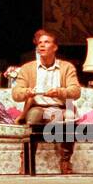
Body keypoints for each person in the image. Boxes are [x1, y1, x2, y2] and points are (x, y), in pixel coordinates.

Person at [11, 28, 81, 174]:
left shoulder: (66, 67)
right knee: (33, 117)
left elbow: (76, 91)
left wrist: (59, 91)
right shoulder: (28, 68)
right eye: (40, 42)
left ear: (55, 47)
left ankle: (65, 161)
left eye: (46, 42)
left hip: (59, 107)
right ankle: (26, 162)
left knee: (69, 118)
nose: (41, 45)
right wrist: (26, 92)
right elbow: (16, 94)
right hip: (37, 106)